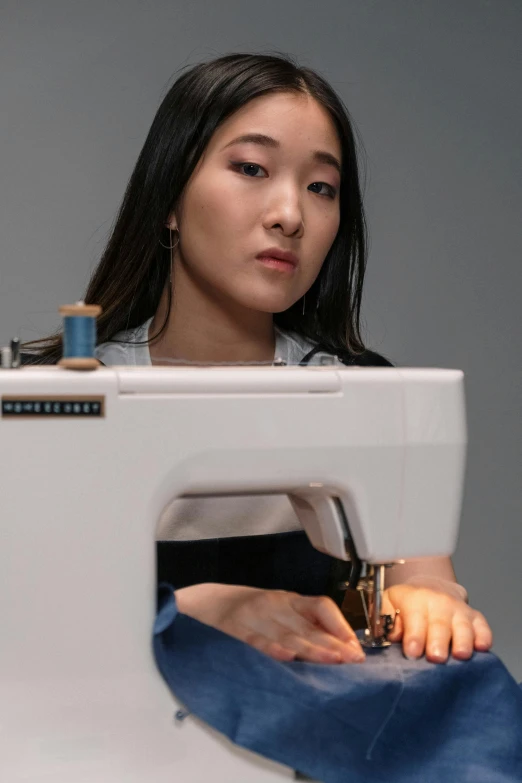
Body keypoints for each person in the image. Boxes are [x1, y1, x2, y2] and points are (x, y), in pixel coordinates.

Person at [28, 52, 492, 668]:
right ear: (168, 198)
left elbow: (416, 574)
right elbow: (33, 622)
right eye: (251, 168)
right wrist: (194, 610)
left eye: (321, 187)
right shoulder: (53, 403)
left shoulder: (369, 394)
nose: (291, 215)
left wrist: (431, 594)